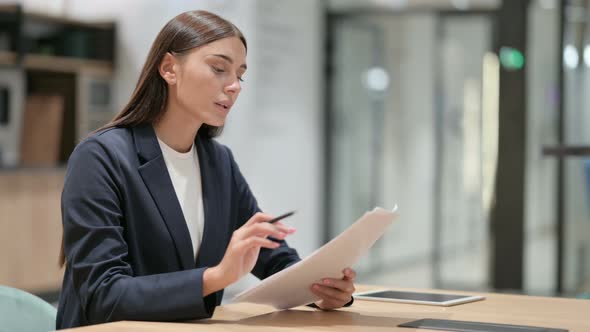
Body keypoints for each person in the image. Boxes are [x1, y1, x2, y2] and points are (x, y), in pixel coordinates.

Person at [56, 10, 356, 329]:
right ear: (169, 68)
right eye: (218, 68)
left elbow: (270, 256)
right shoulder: (100, 157)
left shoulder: (218, 162)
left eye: (239, 75)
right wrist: (215, 277)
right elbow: (103, 296)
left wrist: (320, 289)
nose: (234, 86)